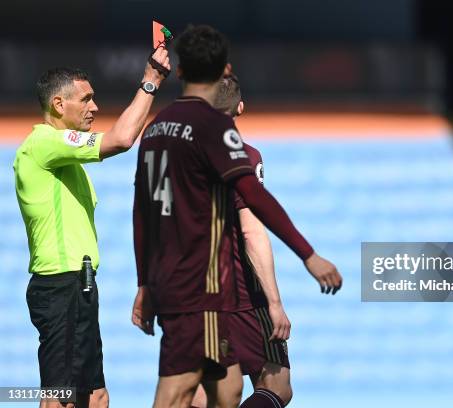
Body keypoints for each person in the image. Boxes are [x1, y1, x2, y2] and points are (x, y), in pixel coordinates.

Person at [130, 25, 341, 408]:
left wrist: (145, 283)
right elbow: (254, 200)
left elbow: (142, 212)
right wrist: (308, 254)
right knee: (182, 392)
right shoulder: (215, 128)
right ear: (222, 69)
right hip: (206, 287)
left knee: (222, 393)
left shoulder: (155, 130)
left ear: (179, 73)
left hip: (169, 281)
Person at [13, 46, 170, 408]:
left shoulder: (63, 159)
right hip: (61, 284)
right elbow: (120, 139)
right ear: (57, 104)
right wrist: (150, 82)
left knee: (95, 398)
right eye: (85, 99)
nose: (94, 108)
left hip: (79, 284)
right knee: (60, 398)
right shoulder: (45, 143)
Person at [187, 75, 293, 408]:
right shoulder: (245, 156)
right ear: (241, 109)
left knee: (204, 393)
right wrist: (274, 303)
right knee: (276, 384)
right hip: (241, 293)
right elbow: (251, 231)